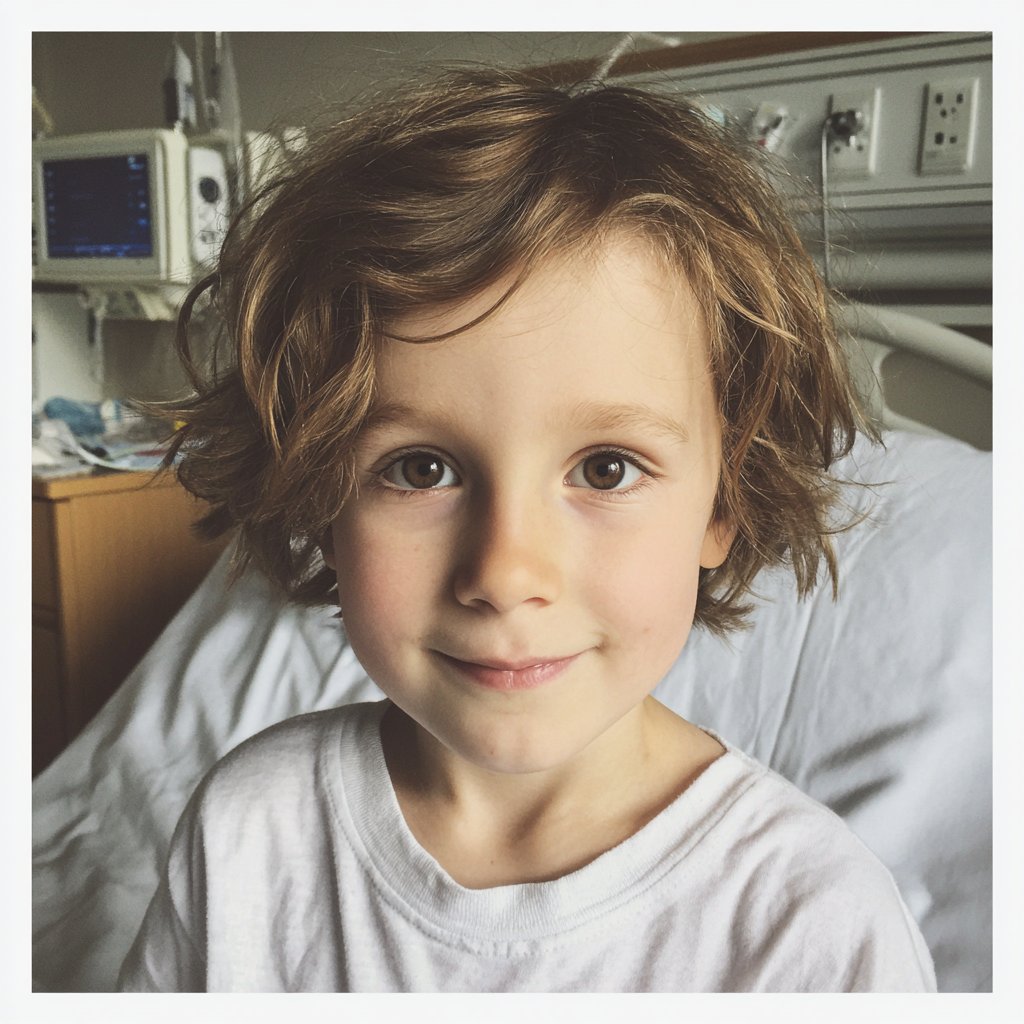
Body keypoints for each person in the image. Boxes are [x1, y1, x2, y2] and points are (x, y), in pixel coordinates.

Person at [118, 67, 936, 992]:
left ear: (726, 501)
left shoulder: (812, 929)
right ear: (319, 495)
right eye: (421, 468)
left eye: (606, 468)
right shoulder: (248, 835)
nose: (505, 573)